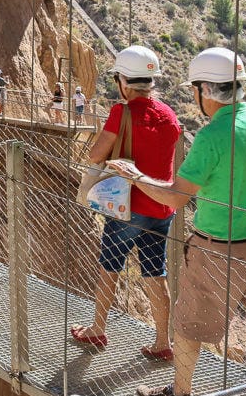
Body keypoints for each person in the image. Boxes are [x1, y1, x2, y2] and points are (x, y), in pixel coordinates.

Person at [109, 47, 246, 396]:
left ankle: (181, 392)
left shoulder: (212, 137)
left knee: (188, 324)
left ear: (205, 90)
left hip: (216, 248)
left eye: (195, 89)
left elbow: (175, 198)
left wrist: (135, 176)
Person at [71, 46, 181, 363]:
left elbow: (95, 155)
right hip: (161, 209)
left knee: (110, 266)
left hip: (127, 206)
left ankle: (97, 327)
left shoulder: (123, 112)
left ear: (123, 80)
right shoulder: (169, 114)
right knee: (154, 272)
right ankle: (163, 341)